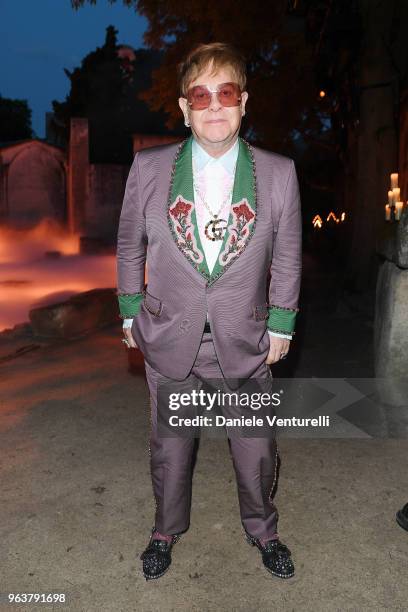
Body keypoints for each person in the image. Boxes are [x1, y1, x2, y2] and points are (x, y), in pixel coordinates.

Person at [116, 42, 302, 581]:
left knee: (255, 447)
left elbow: (287, 253)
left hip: (244, 340)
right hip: (170, 335)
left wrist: (282, 320)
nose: (214, 105)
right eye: (201, 95)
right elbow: (129, 243)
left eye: (226, 93)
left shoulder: (278, 172)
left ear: (243, 102)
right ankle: (164, 530)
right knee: (170, 447)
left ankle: (263, 530)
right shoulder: (150, 168)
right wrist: (130, 313)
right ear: (183, 107)